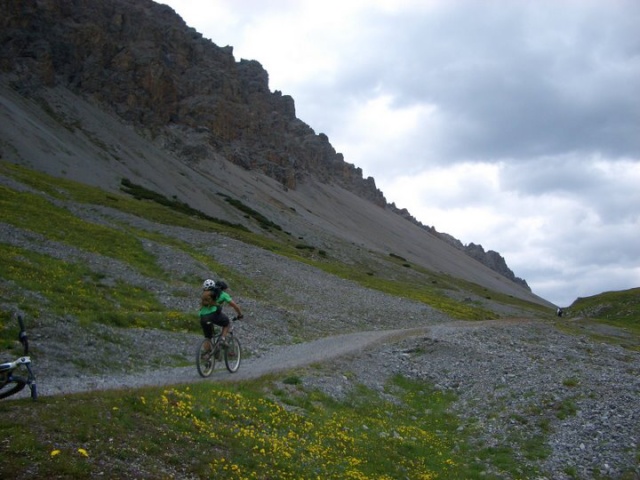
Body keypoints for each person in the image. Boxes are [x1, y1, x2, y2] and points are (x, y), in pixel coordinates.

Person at [199, 279, 243, 347]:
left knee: (208, 337)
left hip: (202, 316)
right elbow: (235, 306)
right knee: (226, 323)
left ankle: (207, 355)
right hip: (213, 314)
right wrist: (240, 314)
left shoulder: (207, 294)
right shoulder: (223, 294)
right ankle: (222, 339)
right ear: (223, 289)